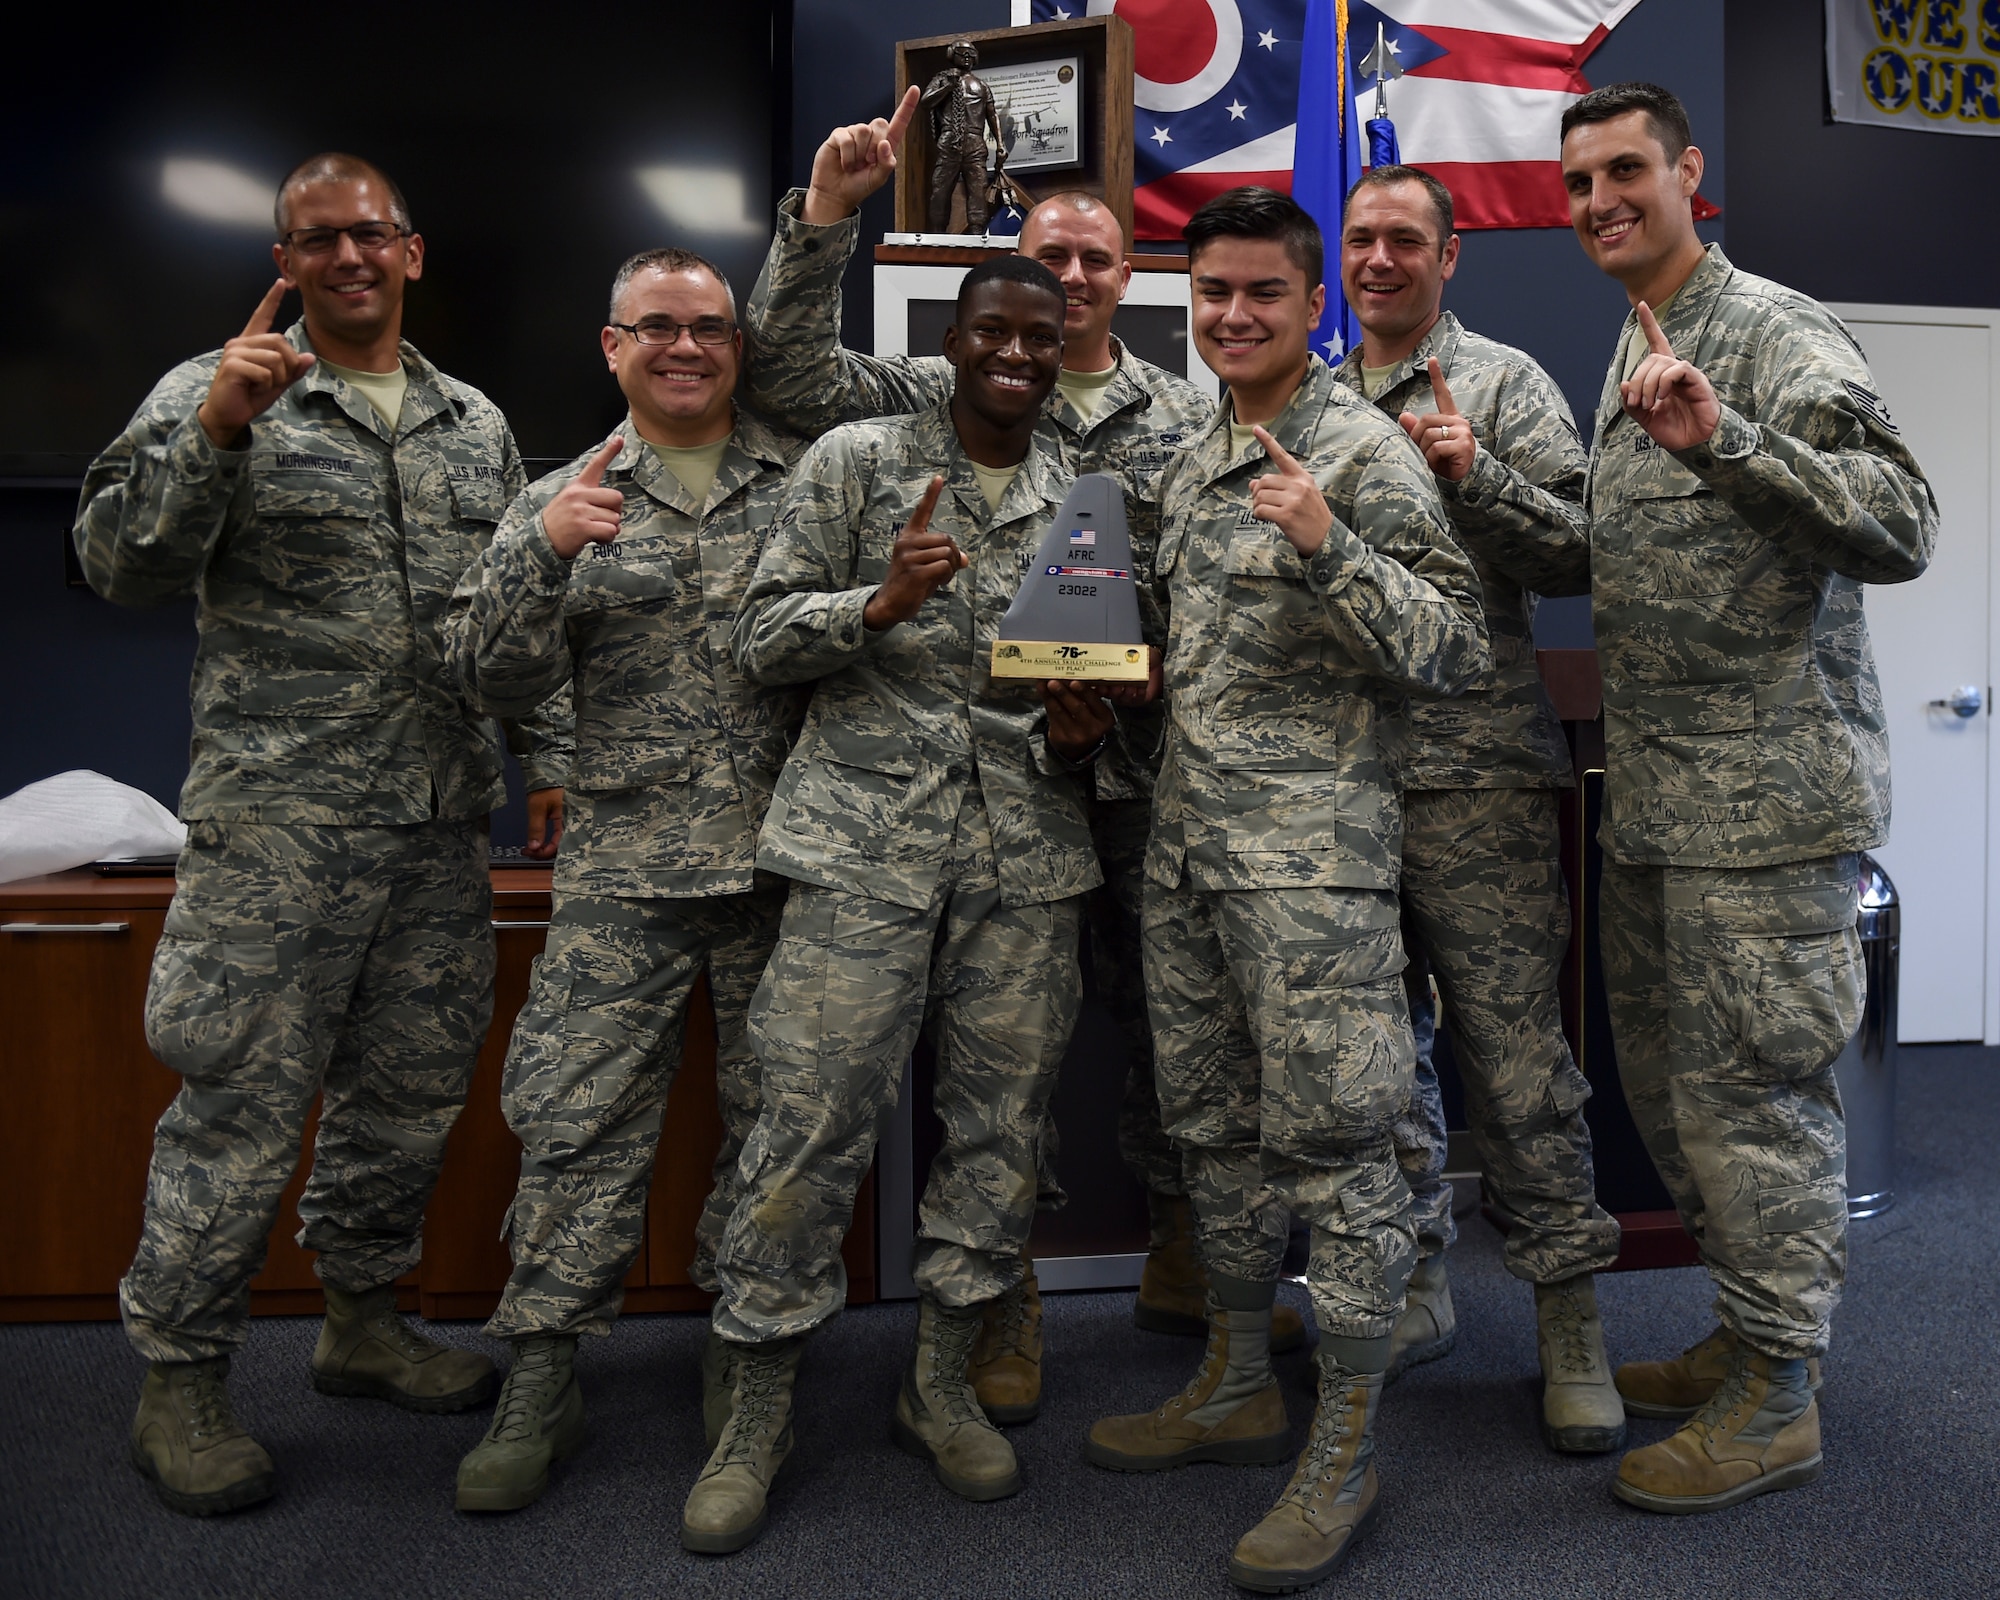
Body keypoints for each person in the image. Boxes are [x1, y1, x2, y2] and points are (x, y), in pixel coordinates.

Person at [741, 93, 1301, 1420]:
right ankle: (1000, 1316)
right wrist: (827, 218)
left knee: (1166, 1044)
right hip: (964, 805)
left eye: (1093, 263)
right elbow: (794, 380)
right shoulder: (918, 419)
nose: (1068, 285)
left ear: (1124, 281)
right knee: (914, 1096)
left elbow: (1200, 599)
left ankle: (1182, 1266)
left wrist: (1128, 703)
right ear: (976, 317)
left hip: (1135, 790)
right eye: (1043, 266)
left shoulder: (1184, 417)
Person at [73, 153, 569, 1516]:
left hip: (433, 828)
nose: (348, 256)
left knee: (406, 1101)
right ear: (287, 263)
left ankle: (361, 1325)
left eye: (370, 235)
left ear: (411, 253)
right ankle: (178, 1383)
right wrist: (219, 434)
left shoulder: (475, 422)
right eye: (316, 241)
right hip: (277, 834)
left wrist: (552, 762)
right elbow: (118, 565)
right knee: (235, 1111)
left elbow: (517, 612)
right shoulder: (213, 386)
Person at [679, 254, 1119, 1554]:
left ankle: (938, 1383)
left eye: (1042, 340)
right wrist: (879, 602)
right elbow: (754, 640)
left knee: (1000, 1140)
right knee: (804, 1132)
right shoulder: (860, 460)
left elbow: (1082, 698)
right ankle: (754, 1408)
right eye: (996, 332)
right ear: (953, 336)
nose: (1020, 356)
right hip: (861, 851)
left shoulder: (1082, 499)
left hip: (1024, 861)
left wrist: (1086, 730)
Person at [1085, 188, 1489, 1593]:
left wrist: (1331, 543)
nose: (1234, 316)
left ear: (1312, 306)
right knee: (1214, 1134)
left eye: (1262, 293)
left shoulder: (1361, 451)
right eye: (1212, 294)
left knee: (1340, 1144)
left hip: (1313, 871)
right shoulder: (1193, 453)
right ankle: (1237, 1382)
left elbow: (1451, 648)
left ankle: (1346, 1441)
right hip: (1192, 853)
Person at [1548, 82, 1934, 1512]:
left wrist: (1731, 443)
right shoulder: (1635, 340)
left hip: (1767, 818)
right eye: (1580, 181)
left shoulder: (1769, 329)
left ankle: (1780, 1397)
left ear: (1688, 173)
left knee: (1758, 1107)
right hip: (1663, 808)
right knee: (1680, 1105)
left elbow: (1901, 523)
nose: (1600, 202)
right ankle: (1749, 1338)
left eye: (1626, 171)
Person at [440, 249, 809, 1511]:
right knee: (574, 1122)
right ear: (614, 346)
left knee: (778, 1130)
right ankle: (542, 1373)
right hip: (622, 871)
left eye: (708, 326)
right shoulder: (561, 495)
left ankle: (749, 1370)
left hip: (781, 865)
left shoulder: (807, 481)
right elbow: (486, 681)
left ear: (737, 343)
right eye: (658, 327)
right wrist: (537, 556)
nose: (687, 347)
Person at [1333, 164, 1624, 1450]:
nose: (1379, 260)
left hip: (1477, 778)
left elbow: (1581, 553)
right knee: (1378, 1069)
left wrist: (1476, 475)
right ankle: (1415, 1287)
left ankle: (1569, 1325)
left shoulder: (1497, 382)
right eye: (1360, 239)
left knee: (1516, 1069)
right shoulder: (1310, 392)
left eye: (1405, 240)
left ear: (1449, 258)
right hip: (1334, 787)